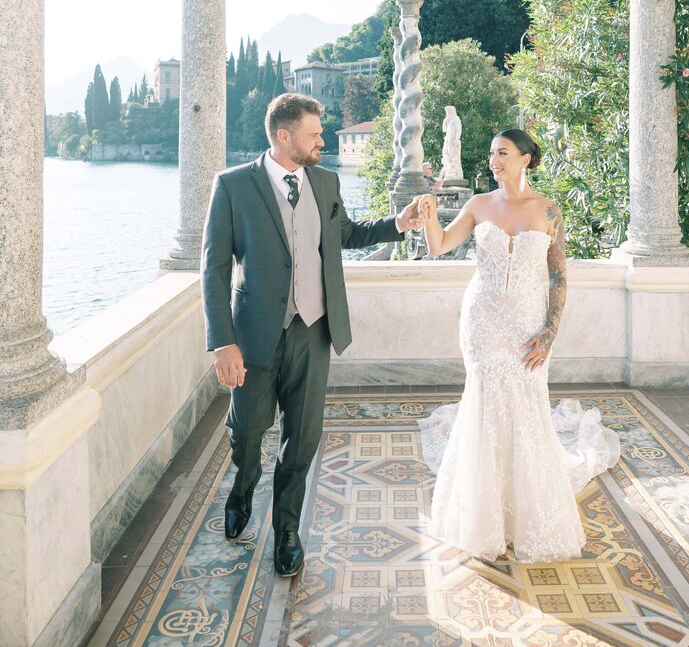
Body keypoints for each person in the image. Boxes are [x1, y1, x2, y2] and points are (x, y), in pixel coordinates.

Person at [201, 93, 423, 577]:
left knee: (302, 441)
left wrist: (397, 225)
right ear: (284, 136)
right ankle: (243, 486)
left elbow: (346, 233)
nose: (323, 140)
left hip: (313, 332)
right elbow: (214, 269)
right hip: (254, 338)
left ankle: (286, 531)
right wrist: (223, 342)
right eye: (313, 133)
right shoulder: (234, 186)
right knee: (247, 434)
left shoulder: (325, 181)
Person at [416, 129, 619, 563]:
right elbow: (439, 245)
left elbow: (560, 276)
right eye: (491, 153)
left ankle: (524, 514)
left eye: (503, 153)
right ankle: (483, 519)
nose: (494, 160)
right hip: (482, 321)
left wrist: (549, 331)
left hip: (529, 323)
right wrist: (429, 213)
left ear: (525, 159)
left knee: (525, 406)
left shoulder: (548, 210)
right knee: (486, 404)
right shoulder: (477, 204)